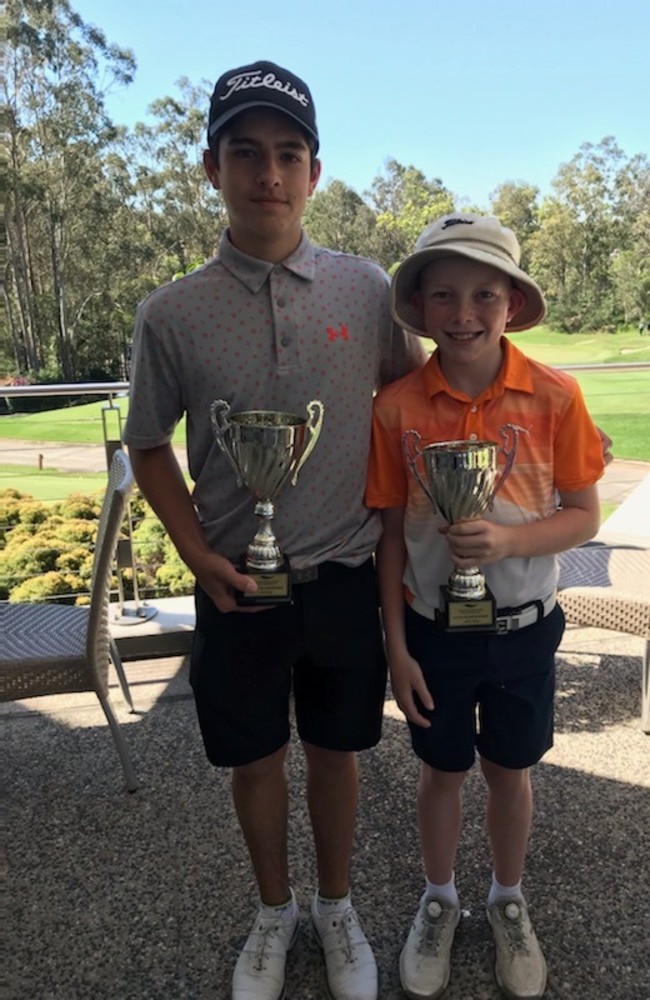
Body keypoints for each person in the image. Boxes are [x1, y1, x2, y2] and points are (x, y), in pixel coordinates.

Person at [123, 60, 426, 1000]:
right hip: (236, 581)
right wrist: (195, 553)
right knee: (253, 761)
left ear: (315, 174)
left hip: (340, 572)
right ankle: (272, 910)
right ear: (211, 169)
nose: (269, 174)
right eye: (245, 153)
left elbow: (409, 401)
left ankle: (335, 909)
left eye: (288, 154)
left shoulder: (365, 288)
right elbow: (147, 447)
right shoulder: (170, 313)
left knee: (336, 754)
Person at [365, 214, 605, 1000]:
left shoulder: (557, 396)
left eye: (482, 294)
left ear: (510, 304)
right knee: (441, 774)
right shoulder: (396, 405)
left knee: (511, 770)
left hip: (525, 629)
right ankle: (440, 900)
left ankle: (507, 899)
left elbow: (583, 515)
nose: (462, 312)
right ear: (423, 307)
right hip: (435, 632)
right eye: (444, 295)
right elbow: (393, 536)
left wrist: (508, 542)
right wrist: (395, 649)